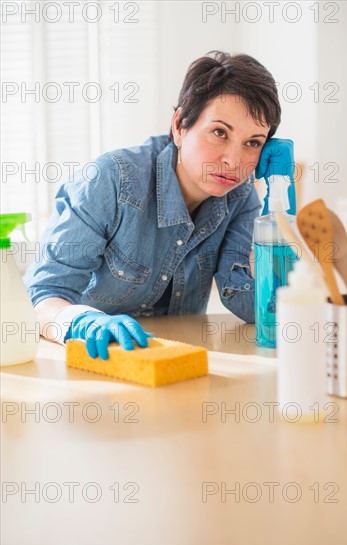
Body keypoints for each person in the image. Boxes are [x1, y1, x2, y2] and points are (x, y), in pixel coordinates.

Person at [24, 51, 296, 360]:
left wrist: (283, 207)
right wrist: (81, 323)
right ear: (180, 126)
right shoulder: (110, 180)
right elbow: (40, 296)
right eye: (219, 132)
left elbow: (252, 305)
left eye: (253, 142)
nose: (233, 161)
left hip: (175, 368)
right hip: (93, 366)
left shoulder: (240, 198)